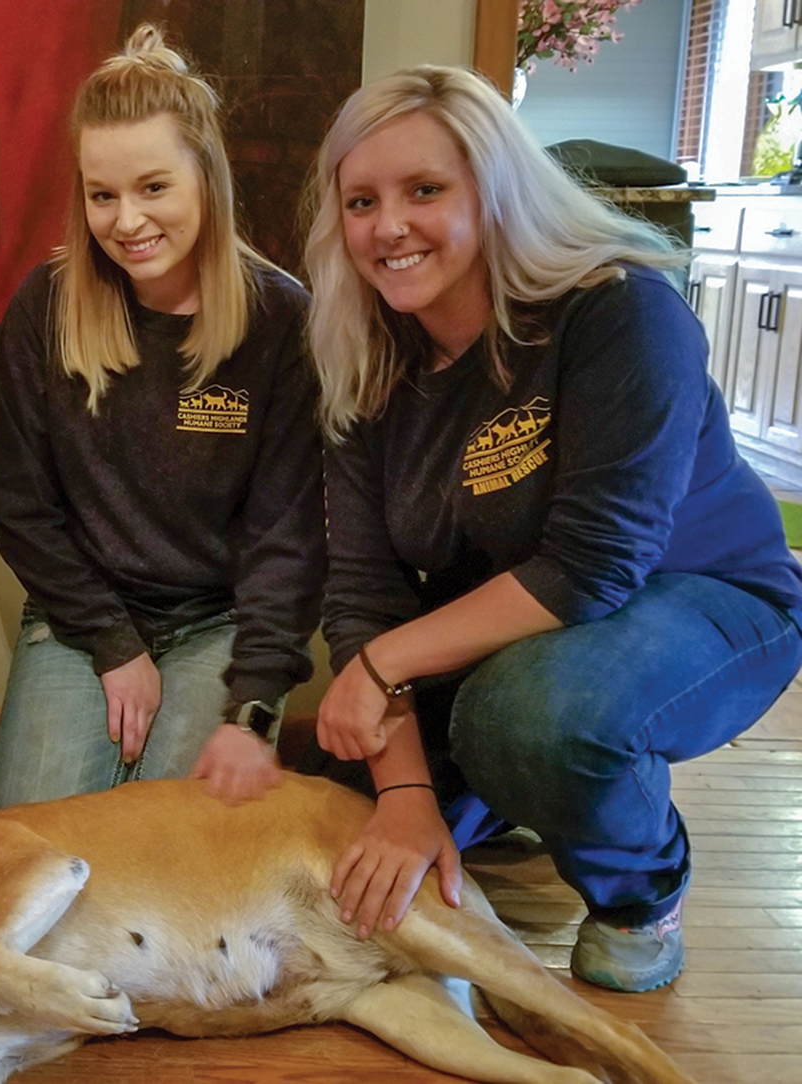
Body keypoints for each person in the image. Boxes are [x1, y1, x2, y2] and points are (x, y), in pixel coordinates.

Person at [304, 66, 802, 993]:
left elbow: (594, 566)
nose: (389, 226)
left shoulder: (621, 309)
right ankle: (516, 793)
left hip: (702, 599)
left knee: (533, 719)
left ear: (496, 189)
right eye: (361, 201)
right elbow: (365, 593)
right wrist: (405, 792)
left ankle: (642, 895)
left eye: (425, 190)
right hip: (511, 632)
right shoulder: (363, 363)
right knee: (332, 809)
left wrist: (378, 671)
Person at [0, 25, 325, 809]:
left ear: (206, 177)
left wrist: (255, 704)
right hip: (78, 620)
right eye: (102, 196)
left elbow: (290, 537)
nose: (127, 221)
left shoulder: (281, 321)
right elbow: (21, 508)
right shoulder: (45, 305)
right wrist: (111, 643)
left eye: (153, 187)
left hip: (221, 624)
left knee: (173, 855)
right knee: (37, 842)